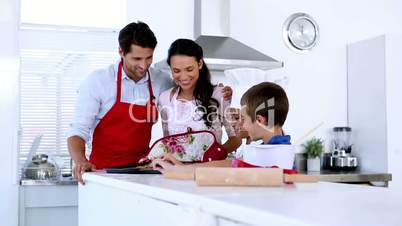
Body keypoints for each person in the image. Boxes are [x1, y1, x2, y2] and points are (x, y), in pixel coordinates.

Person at [67, 22, 232, 184]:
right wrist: (81, 160)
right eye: (137, 58)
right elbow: (78, 131)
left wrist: (218, 93)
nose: (144, 65)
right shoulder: (99, 81)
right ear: (121, 52)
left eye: (149, 58)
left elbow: (188, 90)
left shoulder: (161, 81)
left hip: (143, 171)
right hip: (103, 172)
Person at [151, 81, 290, 172]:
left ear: (260, 120)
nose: (241, 124)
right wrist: (180, 166)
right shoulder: (276, 145)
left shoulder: (272, 151)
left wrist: (180, 169)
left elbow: (229, 165)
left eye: (244, 119)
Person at [157, 39, 242, 161]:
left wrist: (215, 154)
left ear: (200, 64)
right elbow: (166, 142)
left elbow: (236, 139)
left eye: (189, 69)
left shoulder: (219, 94)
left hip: (209, 170)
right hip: (176, 171)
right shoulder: (165, 98)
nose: (184, 76)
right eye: (176, 71)